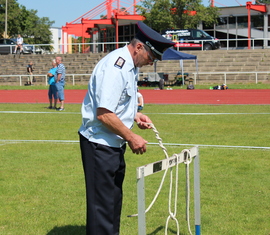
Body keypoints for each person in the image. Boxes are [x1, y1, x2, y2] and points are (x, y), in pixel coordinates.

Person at [78, 21, 175, 235]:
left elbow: (118, 104)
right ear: (139, 47)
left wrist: (135, 115)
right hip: (99, 144)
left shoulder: (130, 66)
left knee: (112, 203)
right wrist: (132, 137)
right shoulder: (117, 66)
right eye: (151, 57)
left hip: (112, 143)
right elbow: (103, 113)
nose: (151, 63)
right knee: (101, 208)